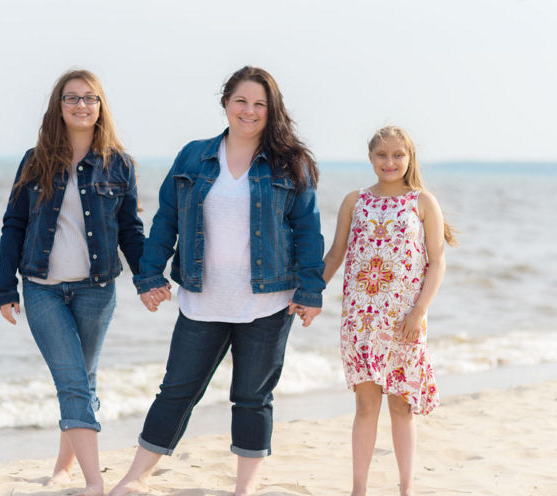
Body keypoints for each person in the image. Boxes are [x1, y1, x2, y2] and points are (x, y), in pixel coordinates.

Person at [108, 66, 325, 496]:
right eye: (241, 101)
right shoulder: (194, 156)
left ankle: (244, 488)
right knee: (176, 390)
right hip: (201, 299)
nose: (250, 111)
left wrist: (310, 290)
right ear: (226, 102)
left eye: (260, 103)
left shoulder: (290, 163)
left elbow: (307, 229)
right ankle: (136, 478)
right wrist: (149, 274)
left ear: (271, 109)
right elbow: (166, 217)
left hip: (267, 301)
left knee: (252, 397)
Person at [0, 69, 145, 496]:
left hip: (97, 290)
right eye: (71, 98)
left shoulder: (119, 164)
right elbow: (14, 225)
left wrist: (148, 279)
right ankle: (95, 482)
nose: (81, 105)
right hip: (42, 288)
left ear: (101, 107)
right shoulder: (35, 160)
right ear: (58, 107)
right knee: (74, 380)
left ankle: (63, 466)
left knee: (83, 377)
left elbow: (131, 230)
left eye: (89, 98)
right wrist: (5, 287)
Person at [321, 125, 453, 496]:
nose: (390, 162)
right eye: (382, 155)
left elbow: (437, 263)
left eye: (398, 155)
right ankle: (358, 489)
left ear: (409, 158)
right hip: (360, 321)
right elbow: (336, 254)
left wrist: (419, 312)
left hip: (405, 321)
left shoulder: (422, 202)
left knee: (401, 407)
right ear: (370, 158)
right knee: (365, 406)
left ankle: (406, 488)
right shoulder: (354, 200)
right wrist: (310, 292)